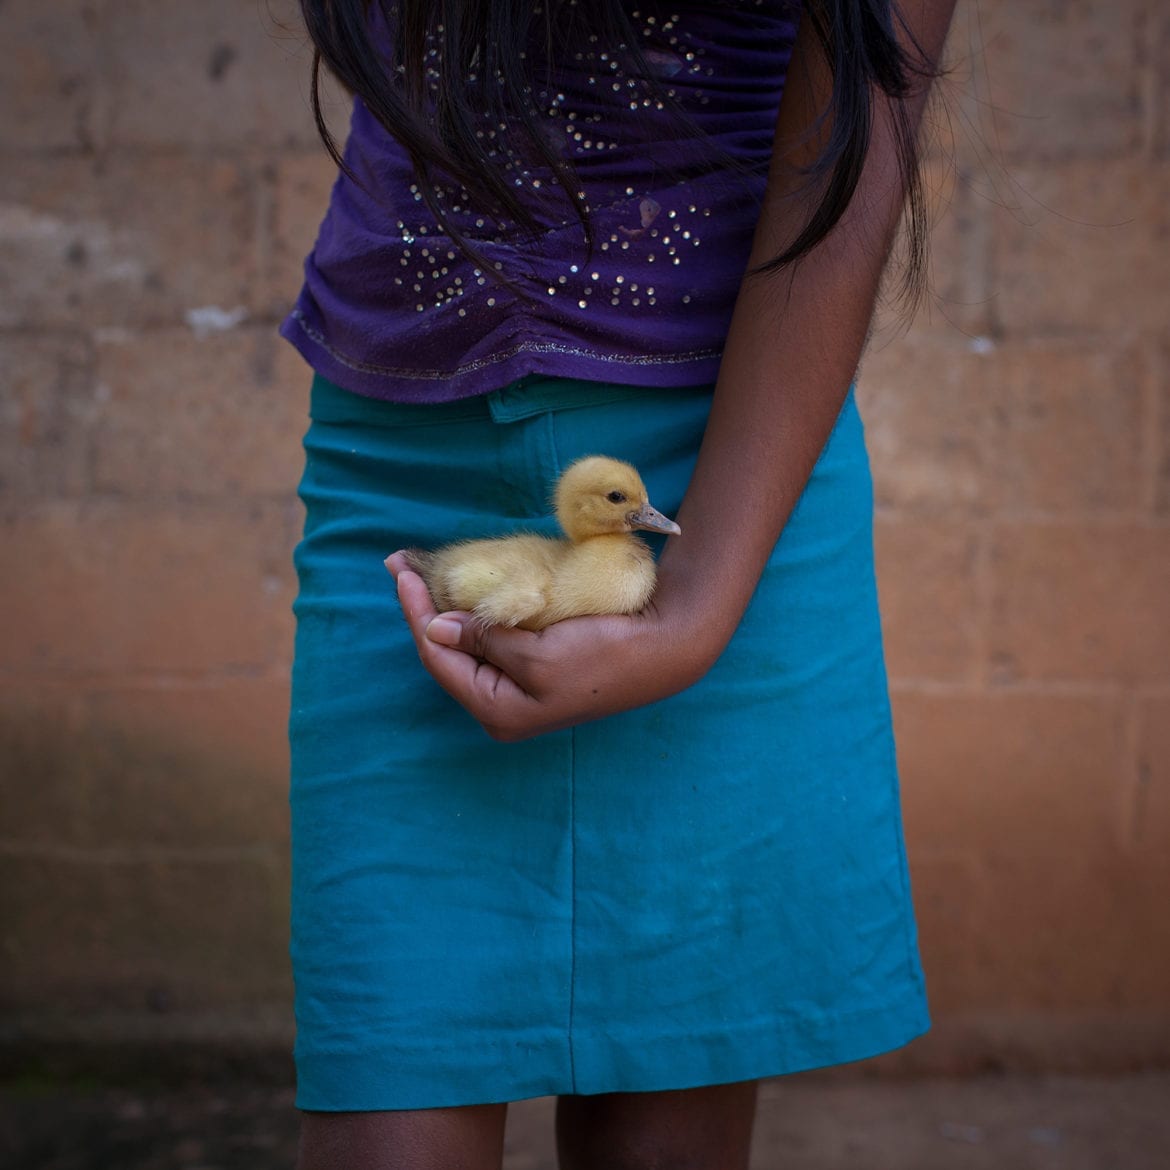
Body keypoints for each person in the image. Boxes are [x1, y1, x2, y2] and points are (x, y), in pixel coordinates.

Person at [282, 1, 957, 1166]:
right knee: (390, 1082)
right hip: (404, 447)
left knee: (667, 1130)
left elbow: (853, 151)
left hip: (728, 460)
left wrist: (696, 607)